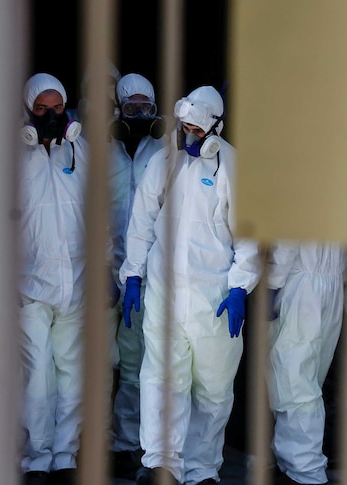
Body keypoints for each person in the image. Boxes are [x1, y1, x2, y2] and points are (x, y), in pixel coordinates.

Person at [119, 85, 260, 485]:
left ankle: (201, 470)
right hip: (165, 292)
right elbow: (142, 221)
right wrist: (133, 273)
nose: (189, 136)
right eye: (184, 127)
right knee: (162, 379)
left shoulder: (234, 167)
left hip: (212, 297)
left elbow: (249, 236)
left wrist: (239, 287)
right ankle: (161, 463)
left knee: (213, 390)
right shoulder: (165, 162)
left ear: (215, 127)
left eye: (197, 129)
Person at [18, 73, 88, 485]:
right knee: (36, 375)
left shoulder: (82, 152)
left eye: (57, 108)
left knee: (73, 373)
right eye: (41, 110)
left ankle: (64, 457)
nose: (50, 117)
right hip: (29, 285)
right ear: (28, 110)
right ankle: (35, 459)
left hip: (76, 283)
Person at [107, 73, 167, 480]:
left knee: (135, 365)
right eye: (133, 110)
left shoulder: (164, 152)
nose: (141, 116)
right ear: (118, 110)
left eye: (147, 109)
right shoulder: (97, 151)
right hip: (98, 272)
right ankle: (76, 448)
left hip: (143, 276)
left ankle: (129, 445)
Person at [267, 242, 347, 485]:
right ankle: (290, 461)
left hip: (298, 284)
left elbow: (287, 238)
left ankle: (304, 470)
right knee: (310, 379)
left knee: (293, 381)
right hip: (332, 283)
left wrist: (272, 282)